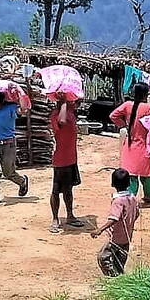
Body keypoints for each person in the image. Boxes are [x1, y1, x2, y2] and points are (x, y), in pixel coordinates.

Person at [110, 82, 150, 205]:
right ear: (145, 95)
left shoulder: (127, 105)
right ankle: (148, 196)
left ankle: (130, 198)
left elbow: (113, 116)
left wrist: (124, 125)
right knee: (148, 175)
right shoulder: (148, 108)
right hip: (144, 146)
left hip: (129, 145)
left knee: (131, 176)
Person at [0, 89, 30, 208]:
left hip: (8, 145)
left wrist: (20, 92)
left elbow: (24, 109)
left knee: (8, 173)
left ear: (2, 101)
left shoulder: (11, 108)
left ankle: (22, 181)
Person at [92, 168, 140, 276]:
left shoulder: (118, 201)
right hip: (127, 237)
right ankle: (119, 278)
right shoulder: (132, 197)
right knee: (120, 261)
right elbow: (136, 213)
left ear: (113, 183)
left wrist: (99, 230)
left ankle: (113, 277)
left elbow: (114, 218)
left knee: (103, 257)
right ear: (128, 183)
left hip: (115, 238)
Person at [49, 98, 82, 233]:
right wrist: (63, 102)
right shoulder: (56, 115)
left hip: (71, 159)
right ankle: (55, 218)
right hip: (60, 160)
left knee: (68, 190)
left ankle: (70, 215)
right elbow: (61, 122)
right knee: (56, 191)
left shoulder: (71, 114)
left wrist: (70, 103)